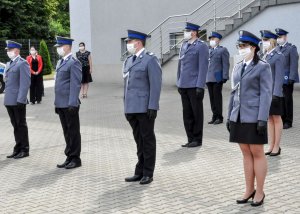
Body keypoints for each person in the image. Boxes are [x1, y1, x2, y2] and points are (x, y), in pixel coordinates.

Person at [227, 30, 272, 206]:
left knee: (257, 153)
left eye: (244, 46)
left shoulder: (263, 66)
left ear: (253, 47)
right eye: (239, 46)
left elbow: (266, 94)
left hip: (254, 117)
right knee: (246, 153)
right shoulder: (238, 66)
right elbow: (233, 92)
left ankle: (260, 192)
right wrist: (230, 115)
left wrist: (262, 119)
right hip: (238, 116)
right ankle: (248, 189)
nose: (241, 49)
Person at [123, 30, 162, 185]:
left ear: (138, 43)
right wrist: (125, 107)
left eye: (129, 42)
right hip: (132, 108)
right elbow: (126, 86)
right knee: (138, 140)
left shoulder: (150, 60)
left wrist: (153, 106)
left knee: (147, 140)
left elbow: (156, 85)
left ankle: (148, 172)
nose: (128, 44)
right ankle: (139, 171)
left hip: (144, 108)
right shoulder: (129, 60)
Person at [177, 22, 209, 148]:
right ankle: (190, 138)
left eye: (187, 30)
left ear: (194, 32)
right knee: (187, 114)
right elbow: (180, 66)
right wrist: (178, 82)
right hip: (184, 85)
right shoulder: (184, 45)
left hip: (194, 85)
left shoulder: (201, 46)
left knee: (196, 113)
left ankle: (197, 139)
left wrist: (200, 86)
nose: (185, 33)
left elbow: (203, 67)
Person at [54, 36, 82, 169]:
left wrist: (72, 103)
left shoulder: (73, 62)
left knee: (73, 131)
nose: (58, 49)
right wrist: (57, 103)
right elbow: (58, 85)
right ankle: (69, 156)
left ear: (66, 47)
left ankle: (76, 158)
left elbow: (75, 84)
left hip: (70, 104)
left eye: (60, 47)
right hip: (61, 103)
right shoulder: (61, 62)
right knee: (66, 131)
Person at [4, 40, 31, 159]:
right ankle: (18, 147)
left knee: (21, 124)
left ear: (16, 50)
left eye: (9, 50)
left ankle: (24, 149)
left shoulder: (22, 63)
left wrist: (21, 100)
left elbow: (25, 84)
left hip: (18, 101)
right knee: (15, 125)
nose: (8, 52)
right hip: (9, 100)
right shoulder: (9, 64)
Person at [260, 30, 285, 156]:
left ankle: (277, 146)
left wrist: (276, 93)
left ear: (272, 41)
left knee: (276, 118)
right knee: (269, 119)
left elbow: (279, 77)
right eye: (263, 40)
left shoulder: (278, 56)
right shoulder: (265, 55)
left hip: (274, 93)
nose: (263, 42)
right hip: (265, 93)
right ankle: (271, 145)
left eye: (265, 40)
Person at [275, 28, 299, 129]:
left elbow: (294, 64)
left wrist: (292, 77)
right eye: (277, 37)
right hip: (278, 79)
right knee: (280, 99)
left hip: (287, 78)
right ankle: (282, 118)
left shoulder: (291, 48)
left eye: (280, 37)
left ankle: (288, 121)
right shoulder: (277, 49)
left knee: (287, 100)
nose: (278, 39)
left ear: (285, 37)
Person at [206, 31, 230, 125]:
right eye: (210, 39)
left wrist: (225, 76)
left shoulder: (222, 50)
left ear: (218, 40)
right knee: (212, 99)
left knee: (217, 98)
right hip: (208, 77)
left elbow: (226, 64)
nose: (211, 40)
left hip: (217, 77)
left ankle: (219, 117)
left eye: (213, 39)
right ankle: (214, 116)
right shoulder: (208, 50)